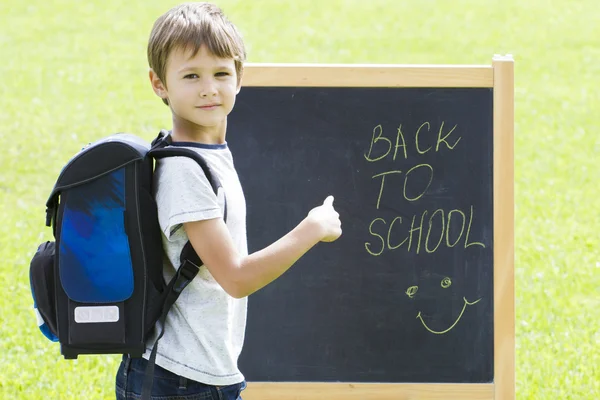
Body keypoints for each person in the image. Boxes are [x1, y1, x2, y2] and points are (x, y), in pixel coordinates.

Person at [115, 3, 342, 399]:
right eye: (191, 75)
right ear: (159, 84)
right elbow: (235, 278)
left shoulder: (209, 153)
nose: (209, 88)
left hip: (201, 372)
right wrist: (313, 228)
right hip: (178, 379)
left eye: (221, 73)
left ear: (239, 77)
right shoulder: (186, 173)